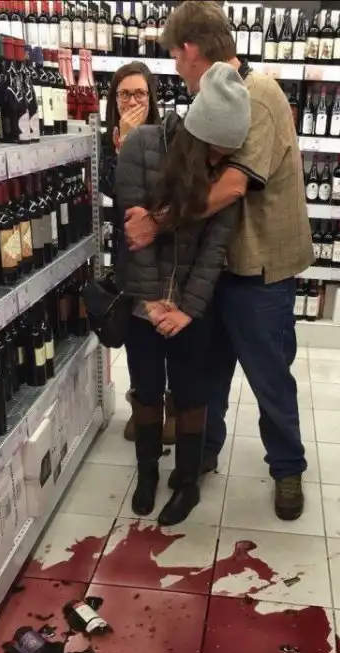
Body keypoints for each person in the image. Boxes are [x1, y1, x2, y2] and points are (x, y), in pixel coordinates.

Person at [124, 1, 314, 522]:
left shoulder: (259, 94)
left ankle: (287, 467)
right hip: (216, 267)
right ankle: (204, 451)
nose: (176, 68)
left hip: (261, 267)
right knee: (210, 374)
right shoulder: (215, 96)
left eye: (175, 56)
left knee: (268, 375)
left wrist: (156, 223)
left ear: (190, 50)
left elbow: (230, 186)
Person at [115, 62, 249, 526]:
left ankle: (188, 482)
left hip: (193, 307)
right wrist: (153, 302)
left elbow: (216, 247)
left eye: (226, 156)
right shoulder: (139, 146)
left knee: (193, 393)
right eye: (213, 152)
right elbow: (134, 235)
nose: (218, 164)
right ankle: (147, 472)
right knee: (147, 389)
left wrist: (188, 309)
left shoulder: (225, 169)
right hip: (142, 302)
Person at [101, 61, 176, 446]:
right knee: (140, 341)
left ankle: (173, 407)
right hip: (130, 256)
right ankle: (143, 403)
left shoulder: (169, 138)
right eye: (125, 94)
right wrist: (122, 150)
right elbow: (113, 194)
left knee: (171, 339)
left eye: (140, 94)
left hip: (166, 255)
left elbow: (169, 197)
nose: (132, 102)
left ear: (152, 98)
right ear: (114, 100)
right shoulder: (105, 143)